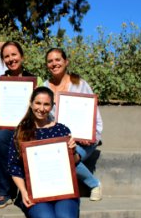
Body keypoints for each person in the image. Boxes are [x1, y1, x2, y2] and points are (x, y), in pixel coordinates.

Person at [7, 86, 86, 218]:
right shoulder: (21, 132)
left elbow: (74, 161)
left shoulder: (61, 129)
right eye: (38, 103)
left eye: (46, 104)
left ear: (52, 106)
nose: (41, 108)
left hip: (63, 188)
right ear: (31, 104)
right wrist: (23, 191)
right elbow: (13, 167)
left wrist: (73, 151)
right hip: (36, 191)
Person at [0, 41, 44, 209]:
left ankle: (31, 189)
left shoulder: (36, 80)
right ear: (3, 60)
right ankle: (5, 193)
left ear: (22, 56)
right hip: (6, 130)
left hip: (29, 127)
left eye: (14, 55)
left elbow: (41, 107)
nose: (11, 59)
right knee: (2, 136)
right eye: (6, 56)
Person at [44, 48, 103, 201]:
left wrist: (90, 136)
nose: (54, 64)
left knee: (66, 155)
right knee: (61, 150)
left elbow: (94, 115)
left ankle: (94, 184)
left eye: (58, 59)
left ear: (66, 62)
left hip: (83, 141)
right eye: (50, 61)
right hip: (58, 140)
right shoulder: (44, 87)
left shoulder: (80, 85)